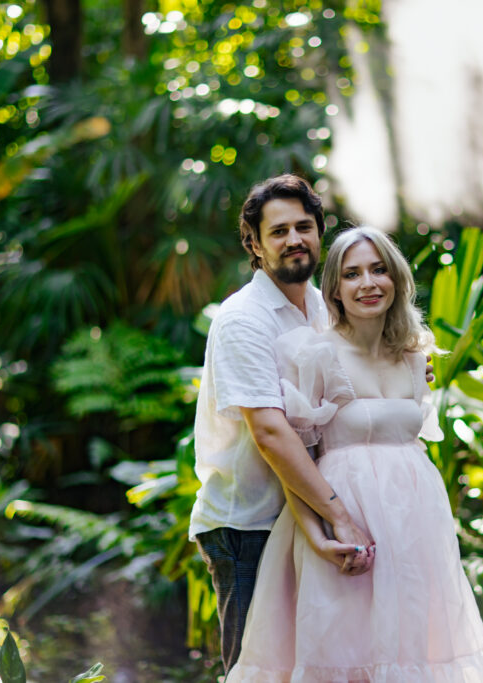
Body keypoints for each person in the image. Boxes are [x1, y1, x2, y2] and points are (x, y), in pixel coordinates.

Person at [227, 227, 483, 682]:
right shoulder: (313, 354)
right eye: (352, 274)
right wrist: (317, 534)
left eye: (378, 270)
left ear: (396, 278)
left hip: (415, 531)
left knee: (417, 652)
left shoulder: (416, 358)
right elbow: (295, 456)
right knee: (342, 652)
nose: (368, 283)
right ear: (333, 287)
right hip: (346, 524)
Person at [190, 175, 375, 673]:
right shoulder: (243, 320)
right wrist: (338, 515)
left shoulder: (322, 306)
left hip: (308, 510)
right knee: (256, 670)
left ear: (319, 231)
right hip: (249, 524)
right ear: (254, 243)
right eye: (278, 231)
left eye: (304, 226)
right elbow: (271, 433)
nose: (294, 239)